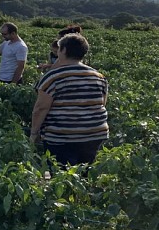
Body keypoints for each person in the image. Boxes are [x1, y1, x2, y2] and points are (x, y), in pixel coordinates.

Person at [30, 34, 109, 165]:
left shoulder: (52, 77)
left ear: (64, 50)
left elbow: (40, 108)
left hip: (63, 136)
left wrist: (34, 133)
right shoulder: (99, 76)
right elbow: (101, 103)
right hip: (94, 134)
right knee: (84, 176)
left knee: (62, 176)